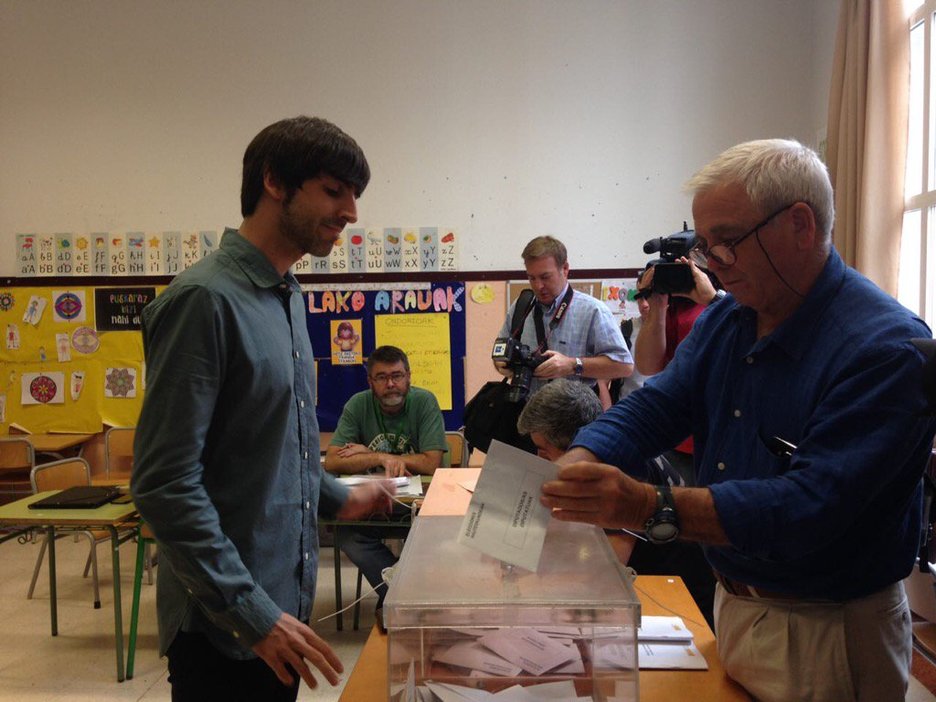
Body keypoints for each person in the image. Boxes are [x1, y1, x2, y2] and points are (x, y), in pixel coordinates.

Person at [540, 138, 936, 702]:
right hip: (736, 606)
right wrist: (587, 453)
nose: (713, 263)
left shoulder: (884, 348)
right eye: (706, 246)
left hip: (828, 630)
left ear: (799, 225)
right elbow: (659, 403)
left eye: (726, 243)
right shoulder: (730, 319)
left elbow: (808, 508)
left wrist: (647, 505)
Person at [132, 116, 393, 702]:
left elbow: (277, 447)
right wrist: (252, 614)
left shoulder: (287, 296)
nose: (351, 212)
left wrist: (340, 495)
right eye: (334, 190)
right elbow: (163, 484)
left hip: (278, 609)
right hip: (227, 625)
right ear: (275, 182)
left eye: (355, 195)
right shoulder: (204, 300)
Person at [517, 378, 715, 627]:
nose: (540, 459)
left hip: (681, 608)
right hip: (668, 589)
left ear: (572, 447)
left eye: (544, 451)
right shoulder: (625, 450)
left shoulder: (614, 472)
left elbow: (604, 571)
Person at [324, 345, 446, 611]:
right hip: (375, 505)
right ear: (370, 382)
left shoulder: (424, 401)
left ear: (409, 377)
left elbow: (431, 462)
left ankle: (400, 598)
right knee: (347, 534)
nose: (391, 384)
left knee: (437, 539)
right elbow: (333, 460)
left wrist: (368, 453)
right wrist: (380, 458)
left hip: (421, 507)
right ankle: (401, 595)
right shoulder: (358, 404)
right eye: (381, 377)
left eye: (397, 376)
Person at [494, 235, 633, 398]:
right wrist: (502, 364)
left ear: (565, 269)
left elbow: (624, 366)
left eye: (545, 277)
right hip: (527, 413)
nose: (538, 286)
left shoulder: (593, 311)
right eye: (532, 278)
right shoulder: (522, 305)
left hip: (575, 416)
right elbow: (499, 354)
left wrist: (573, 365)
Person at [633, 260, 720, 485]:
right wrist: (657, 305)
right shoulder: (674, 308)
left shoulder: (727, 298)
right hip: (680, 440)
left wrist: (712, 299)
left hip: (723, 436)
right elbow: (648, 366)